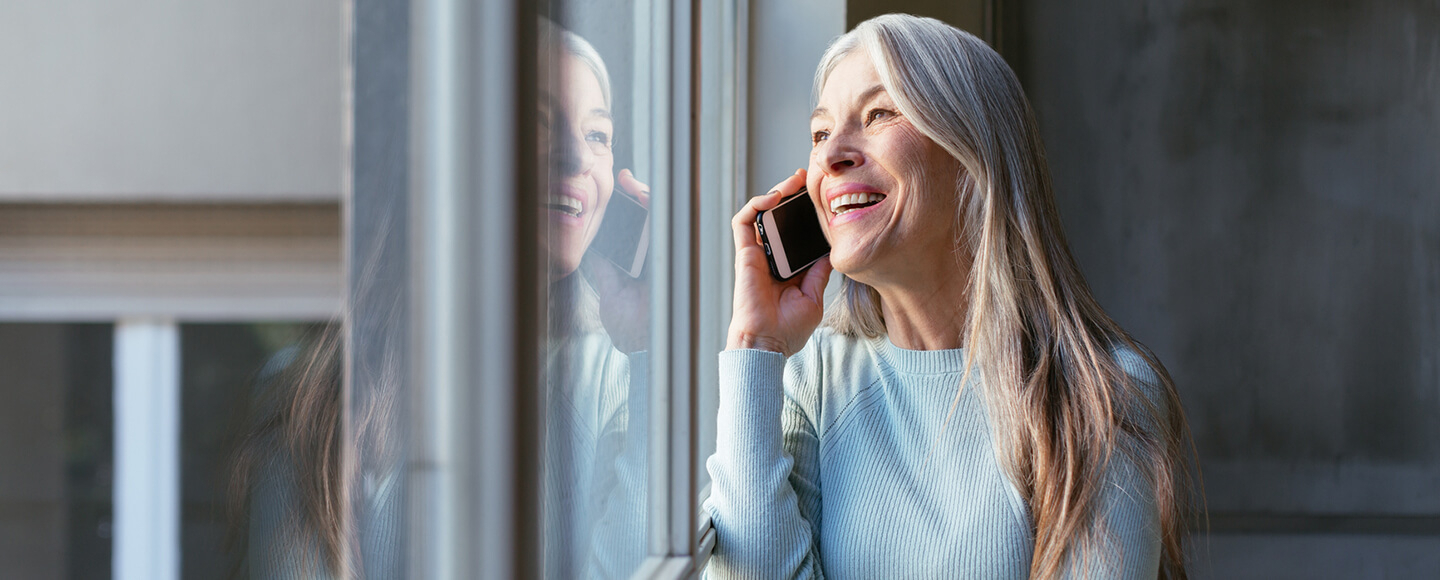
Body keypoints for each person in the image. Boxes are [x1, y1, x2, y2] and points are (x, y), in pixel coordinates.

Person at [705, 14, 1195, 579]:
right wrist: (753, 345)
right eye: (820, 132)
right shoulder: (812, 379)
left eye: (880, 114)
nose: (832, 154)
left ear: (972, 158)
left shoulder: (1102, 395)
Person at [231, 20, 651, 579]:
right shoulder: (319, 393)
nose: (576, 158)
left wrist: (650, 346)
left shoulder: (621, 380)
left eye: (598, 135)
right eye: (537, 122)